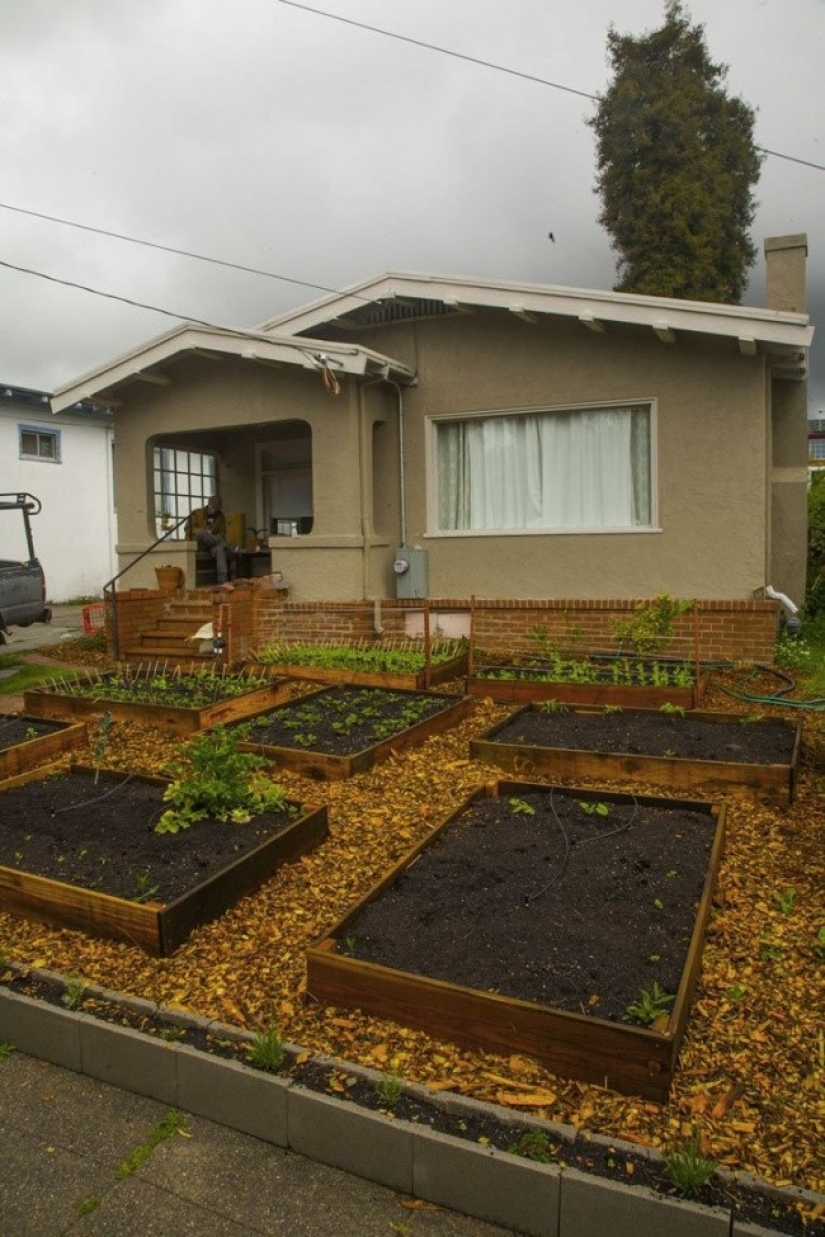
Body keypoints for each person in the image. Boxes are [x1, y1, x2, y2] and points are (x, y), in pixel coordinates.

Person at [186, 496, 237, 589]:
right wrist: (203, 531)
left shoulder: (220, 516)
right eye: (212, 507)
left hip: (212, 544)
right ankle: (229, 546)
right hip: (198, 543)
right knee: (202, 533)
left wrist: (212, 536)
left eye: (216, 509)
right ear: (209, 505)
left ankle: (223, 581)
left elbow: (222, 533)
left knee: (220, 549)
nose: (214, 510)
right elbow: (187, 529)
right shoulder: (196, 513)